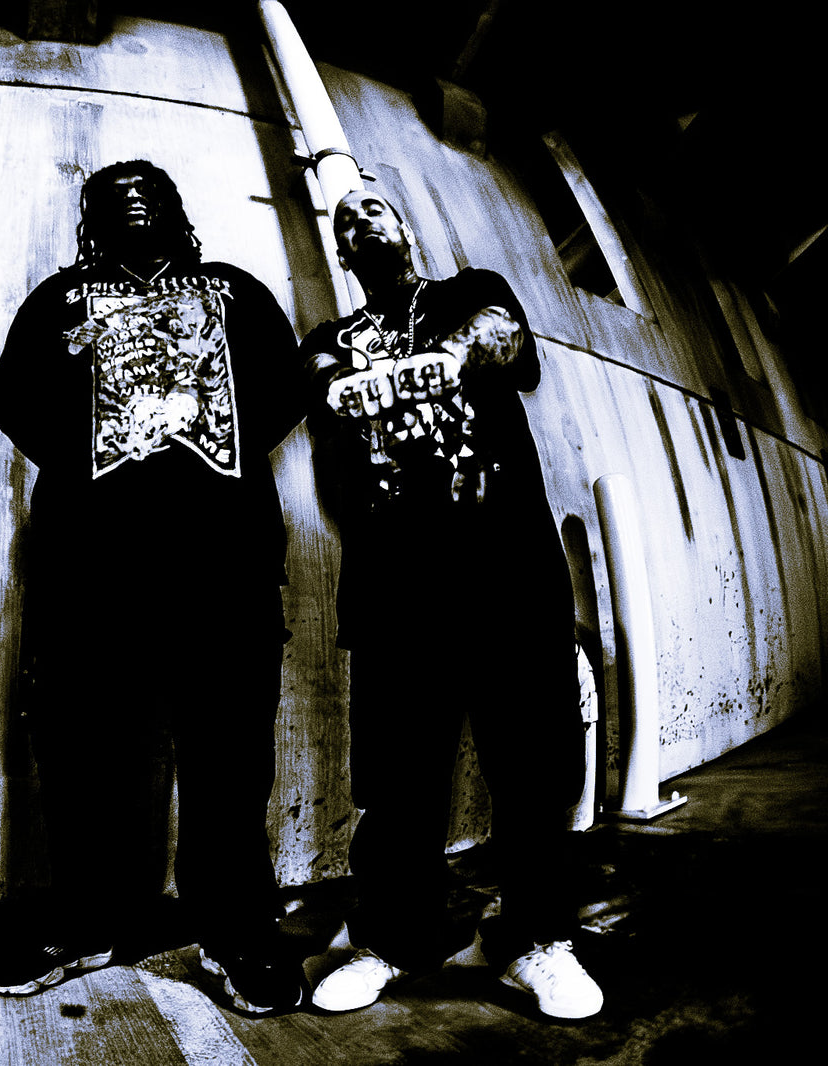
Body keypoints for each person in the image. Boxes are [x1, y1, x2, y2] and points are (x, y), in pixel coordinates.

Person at [0, 160, 306, 1014]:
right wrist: (102, 461)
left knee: (229, 755)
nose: (134, 198)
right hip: (92, 568)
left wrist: (197, 457)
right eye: (113, 193)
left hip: (225, 563)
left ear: (178, 209)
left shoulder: (235, 289)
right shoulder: (60, 298)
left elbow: (285, 389)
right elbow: (12, 400)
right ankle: (87, 919)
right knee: (84, 748)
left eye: (151, 189)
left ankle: (236, 927)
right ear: (89, 219)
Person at [298, 189, 603, 1020]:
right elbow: (323, 392)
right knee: (400, 783)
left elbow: (504, 337)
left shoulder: (470, 292)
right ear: (343, 251)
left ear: (404, 229)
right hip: (396, 585)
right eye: (346, 219)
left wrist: (450, 354)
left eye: (374, 208)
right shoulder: (328, 339)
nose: (360, 221)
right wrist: (354, 381)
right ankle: (389, 942)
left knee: (534, 769)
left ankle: (538, 940)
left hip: (508, 572)